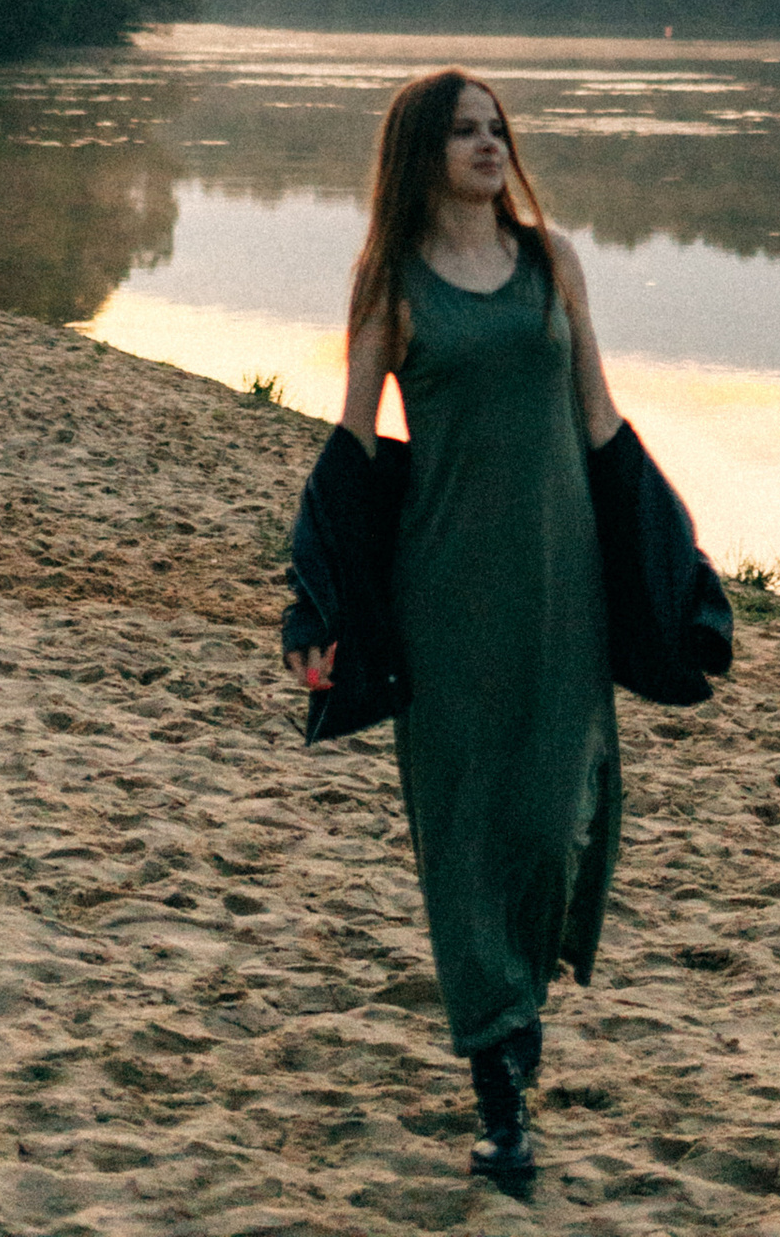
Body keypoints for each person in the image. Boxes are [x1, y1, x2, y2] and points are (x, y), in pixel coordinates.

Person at [286, 68, 623, 1196]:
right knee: (466, 832)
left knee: (549, 822)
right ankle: (504, 1087)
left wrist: (673, 569)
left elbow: (601, 422)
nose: (489, 146)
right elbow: (349, 448)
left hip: (561, 588)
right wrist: (318, 606)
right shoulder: (390, 281)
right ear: (421, 151)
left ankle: (514, 1032)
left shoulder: (551, 263)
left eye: (497, 129)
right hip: (445, 595)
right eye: (465, 132)